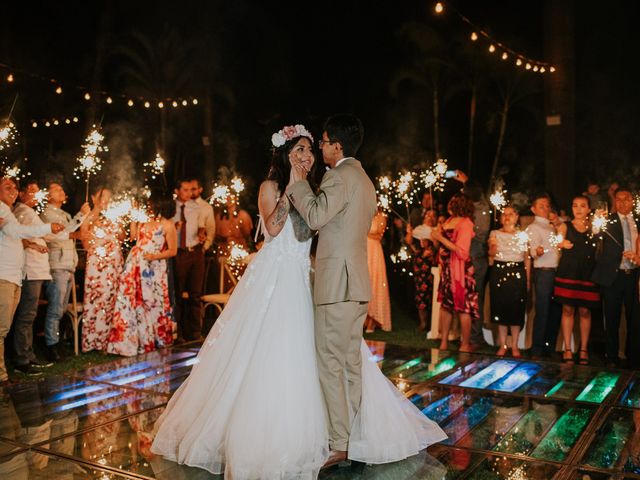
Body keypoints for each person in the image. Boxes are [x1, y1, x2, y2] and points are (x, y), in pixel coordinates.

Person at [151, 122, 446, 477]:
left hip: (306, 278)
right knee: (280, 352)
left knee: (325, 357)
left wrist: (303, 189)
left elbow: (316, 225)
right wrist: (292, 186)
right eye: (301, 150)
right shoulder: (272, 186)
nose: (308, 156)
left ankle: (341, 435)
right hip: (274, 277)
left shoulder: (317, 187)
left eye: (310, 149)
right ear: (286, 155)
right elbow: (273, 228)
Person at [0, 177, 63, 384]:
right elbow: (17, 232)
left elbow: (16, 235)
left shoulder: (7, 212)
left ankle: (14, 363)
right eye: (7, 187)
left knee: (7, 326)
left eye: (15, 187)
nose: (13, 191)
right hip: (6, 275)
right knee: (5, 326)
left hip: (14, 276)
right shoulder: (4, 209)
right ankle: (5, 371)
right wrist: (46, 229)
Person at [106, 195, 177, 356]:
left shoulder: (168, 225)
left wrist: (155, 256)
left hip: (154, 268)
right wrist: (133, 218)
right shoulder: (144, 221)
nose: (150, 206)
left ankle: (155, 337)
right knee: (134, 300)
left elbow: (173, 250)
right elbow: (133, 238)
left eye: (153, 203)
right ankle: (134, 339)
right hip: (136, 265)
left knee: (153, 300)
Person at [40, 182, 90, 361]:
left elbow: (70, 233)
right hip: (57, 264)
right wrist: (80, 217)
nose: (62, 191)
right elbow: (59, 234)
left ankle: (56, 340)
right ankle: (51, 346)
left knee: (61, 309)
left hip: (68, 264)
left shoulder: (65, 214)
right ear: (48, 195)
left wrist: (80, 217)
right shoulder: (46, 213)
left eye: (62, 188)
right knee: (55, 308)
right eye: (57, 189)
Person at [592, 186, 639, 368]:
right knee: (611, 318)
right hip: (613, 276)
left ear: (632, 201)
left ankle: (633, 357)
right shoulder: (607, 221)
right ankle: (611, 357)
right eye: (618, 199)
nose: (622, 202)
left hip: (634, 276)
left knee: (635, 319)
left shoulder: (638, 221)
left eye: (626, 198)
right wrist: (597, 225)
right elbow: (595, 235)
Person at [431, 193, 479, 352]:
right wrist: (435, 238)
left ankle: (464, 345)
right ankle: (443, 341)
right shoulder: (449, 221)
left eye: (452, 202)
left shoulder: (466, 223)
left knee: (463, 307)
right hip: (446, 269)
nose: (448, 205)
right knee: (446, 305)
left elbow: (462, 252)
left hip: (460, 271)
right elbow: (443, 247)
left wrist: (441, 238)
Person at [554, 195, 600, 365]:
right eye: (575, 205)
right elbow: (556, 243)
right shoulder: (565, 226)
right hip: (568, 272)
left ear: (588, 209)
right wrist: (561, 244)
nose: (578, 209)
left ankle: (583, 349)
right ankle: (567, 349)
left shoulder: (595, 228)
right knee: (567, 310)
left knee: (585, 311)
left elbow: (600, 247)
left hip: (588, 273)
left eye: (582, 206)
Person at [80, 187, 125, 352]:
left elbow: (123, 237)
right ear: (94, 197)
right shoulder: (89, 216)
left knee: (112, 301)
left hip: (114, 265)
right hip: (97, 267)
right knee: (97, 301)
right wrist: (89, 215)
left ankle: (110, 341)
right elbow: (85, 242)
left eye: (109, 197)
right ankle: (93, 341)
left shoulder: (114, 216)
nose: (106, 200)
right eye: (103, 197)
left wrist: (118, 222)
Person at [487, 206, 530, 358]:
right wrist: (492, 247)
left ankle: (515, 345)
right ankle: (503, 344)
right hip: (499, 270)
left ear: (517, 217)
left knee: (516, 308)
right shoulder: (495, 233)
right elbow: (491, 253)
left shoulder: (522, 235)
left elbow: (526, 258)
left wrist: (528, 279)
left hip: (517, 271)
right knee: (501, 307)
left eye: (511, 214)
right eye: (504, 214)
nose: (507, 217)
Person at [526, 194, 562, 358]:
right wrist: (537, 252)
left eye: (547, 205)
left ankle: (550, 346)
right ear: (533, 209)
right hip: (544, 272)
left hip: (556, 272)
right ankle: (537, 349)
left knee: (555, 310)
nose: (546, 208)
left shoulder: (551, 226)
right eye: (541, 206)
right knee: (542, 310)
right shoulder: (534, 227)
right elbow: (533, 250)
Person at [172, 178, 205, 341]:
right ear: (177, 191)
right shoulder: (171, 208)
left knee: (195, 293)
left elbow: (201, 226)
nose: (189, 193)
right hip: (179, 252)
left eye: (190, 190)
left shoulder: (196, 207)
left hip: (195, 252)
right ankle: (177, 332)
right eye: (185, 190)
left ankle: (195, 332)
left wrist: (201, 233)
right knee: (177, 293)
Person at [406, 209, 437, 332]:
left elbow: (436, 247)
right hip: (419, 264)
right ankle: (423, 322)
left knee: (431, 294)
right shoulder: (418, 229)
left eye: (433, 215)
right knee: (421, 294)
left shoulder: (435, 231)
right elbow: (409, 242)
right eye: (428, 215)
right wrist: (409, 231)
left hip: (431, 265)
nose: (430, 217)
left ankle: (431, 322)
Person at [364, 208, 391, 332]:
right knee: (364, 282)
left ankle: (373, 319)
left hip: (374, 251)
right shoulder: (363, 213)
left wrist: (364, 233)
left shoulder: (381, 217)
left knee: (375, 283)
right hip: (363, 250)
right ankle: (364, 319)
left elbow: (379, 235)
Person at [190, 178, 215, 251]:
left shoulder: (206, 207)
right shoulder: (183, 205)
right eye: (189, 189)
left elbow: (211, 230)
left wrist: (205, 247)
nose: (191, 192)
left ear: (200, 189)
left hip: (198, 248)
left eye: (193, 189)